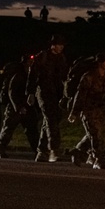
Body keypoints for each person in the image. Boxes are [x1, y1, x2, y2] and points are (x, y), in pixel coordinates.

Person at [26, 34, 69, 162]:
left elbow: (64, 76)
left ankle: (41, 151)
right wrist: (31, 93)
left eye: (62, 45)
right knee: (50, 119)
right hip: (44, 92)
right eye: (59, 44)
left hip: (56, 93)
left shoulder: (61, 58)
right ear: (53, 45)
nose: (61, 47)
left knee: (53, 119)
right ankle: (54, 149)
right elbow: (32, 75)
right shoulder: (42, 57)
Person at [0, 53, 39, 158]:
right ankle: (0, 149)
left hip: (27, 107)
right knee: (8, 129)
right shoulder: (18, 75)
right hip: (16, 107)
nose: (31, 65)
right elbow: (12, 92)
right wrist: (18, 107)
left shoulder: (32, 75)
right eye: (29, 63)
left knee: (32, 130)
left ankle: (38, 151)